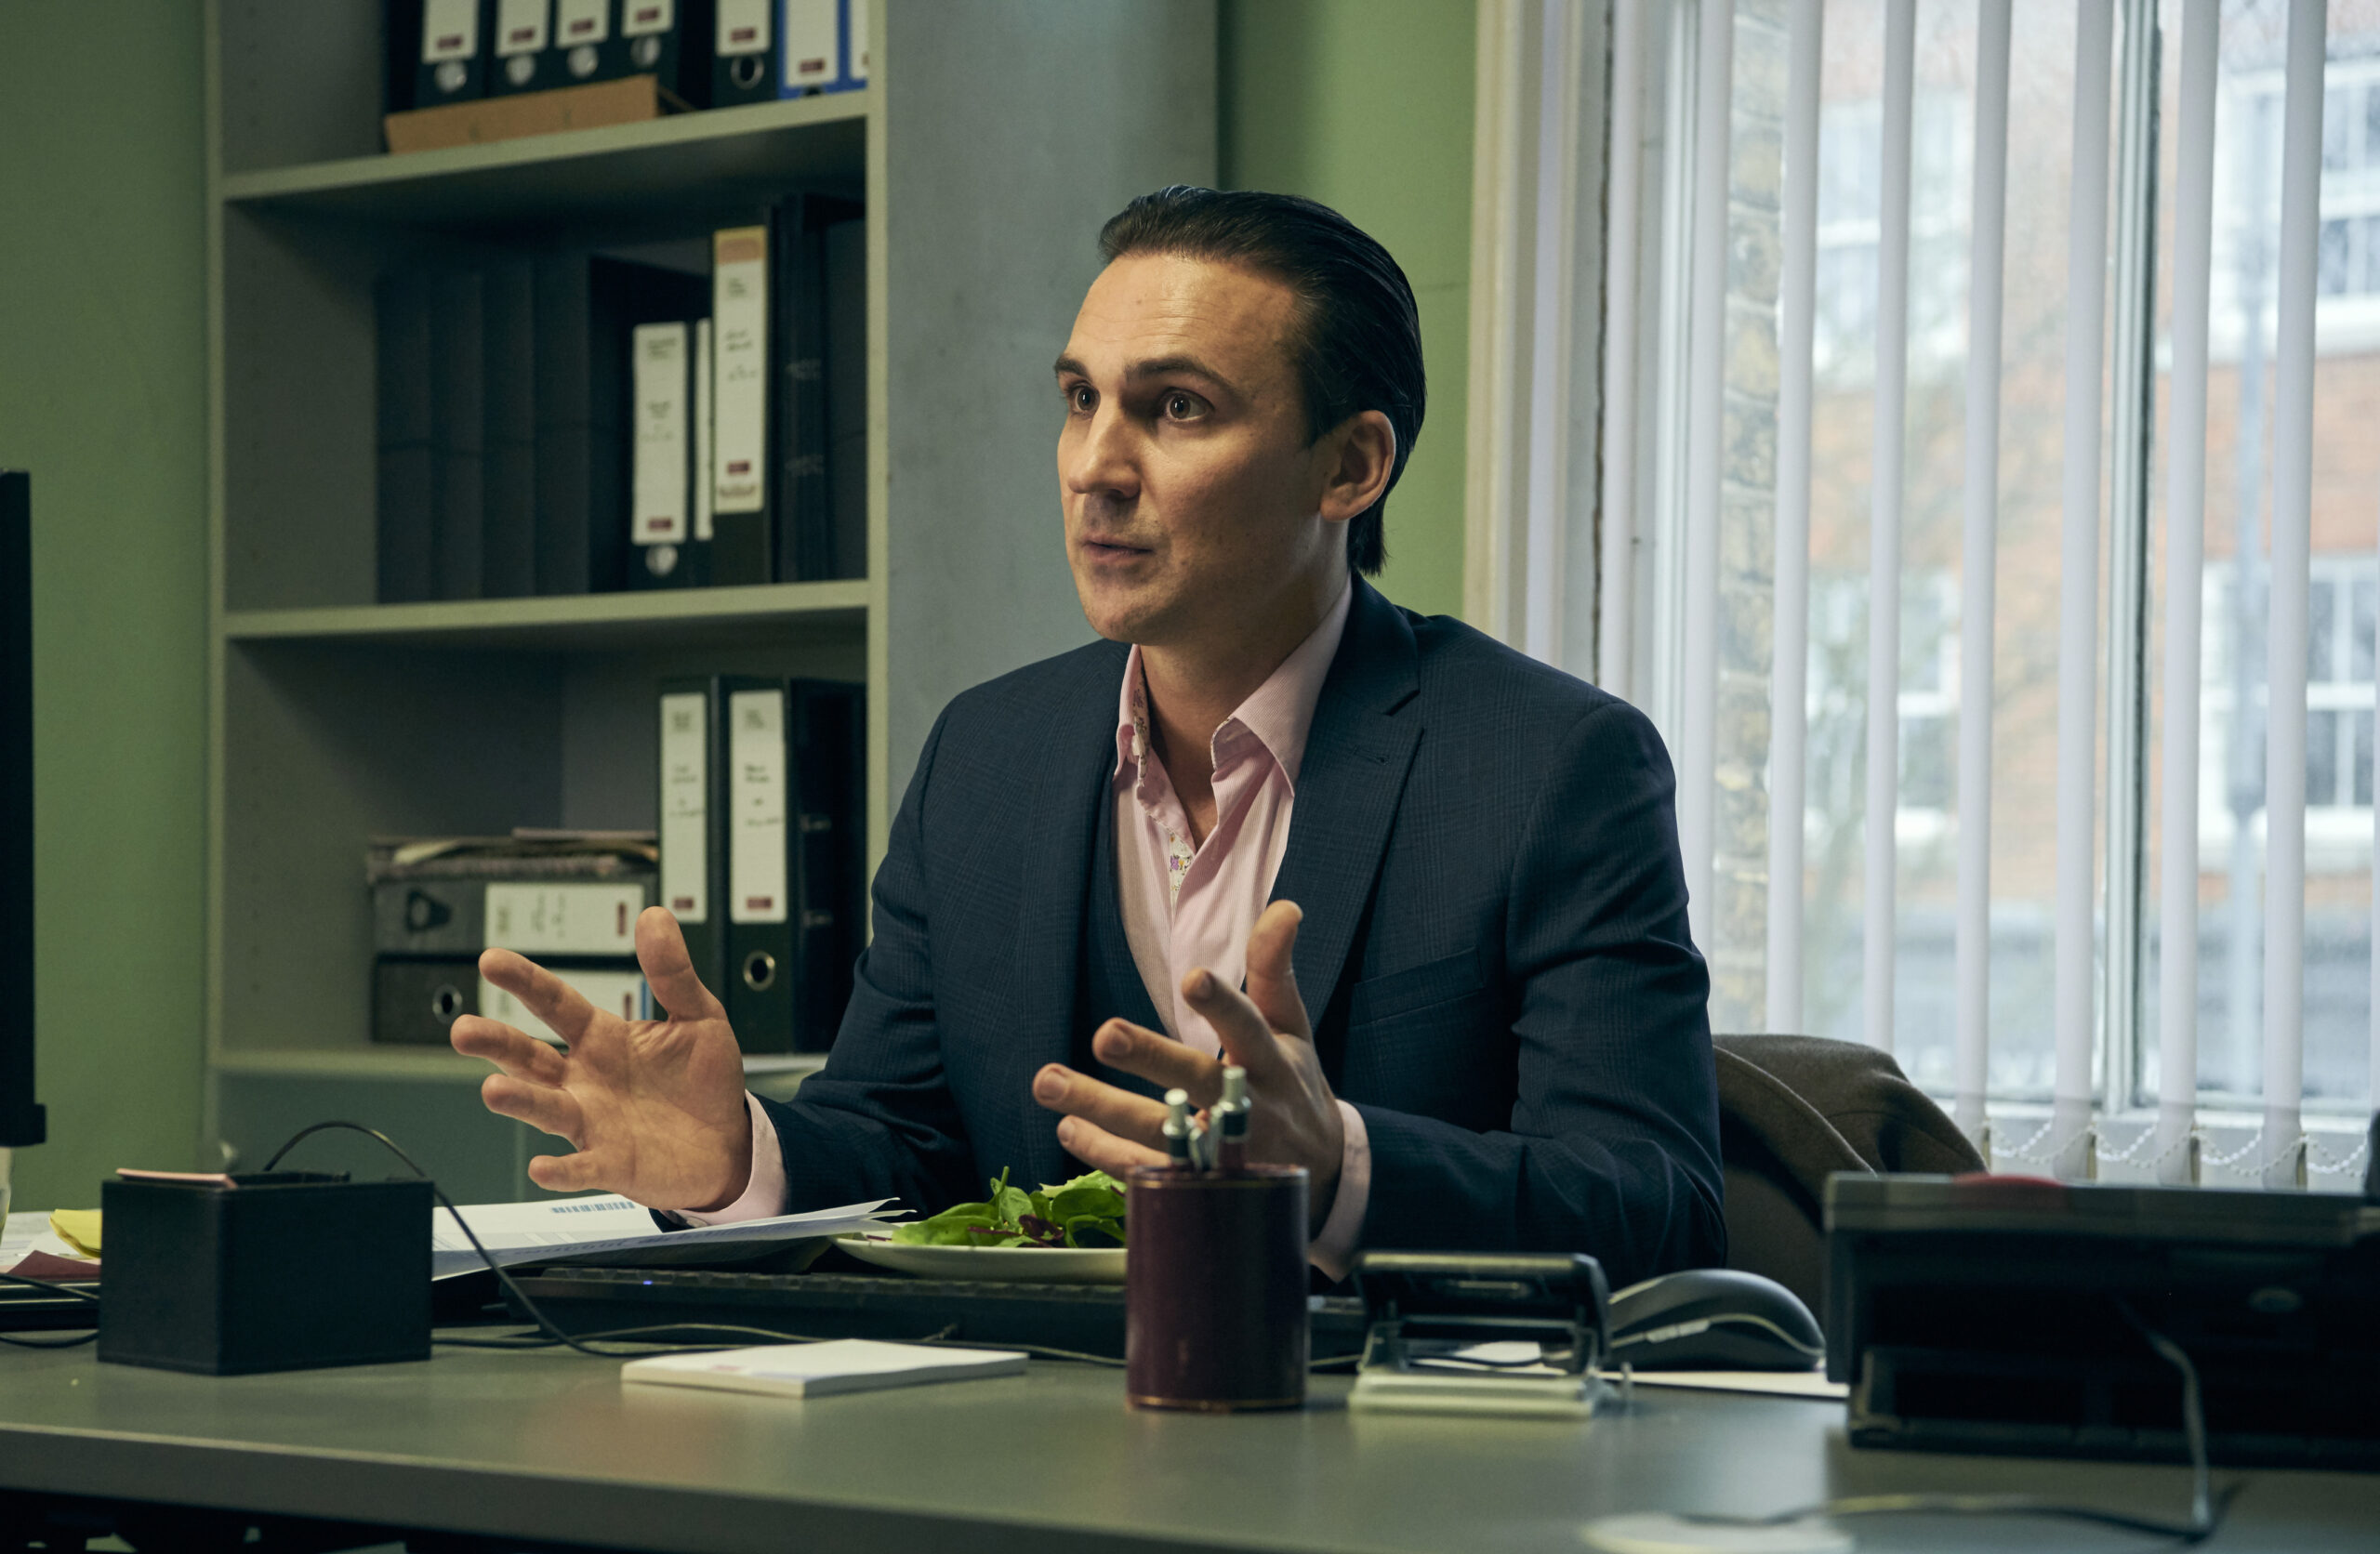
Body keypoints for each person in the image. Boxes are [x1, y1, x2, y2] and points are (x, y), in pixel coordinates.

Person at [455, 187, 1724, 1287]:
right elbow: (903, 1147)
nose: (1093, 467)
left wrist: (1341, 1169)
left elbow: (1657, 1207)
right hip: (1025, 1443)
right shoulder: (986, 756)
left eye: (1177, 408)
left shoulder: (1554, 765)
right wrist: (741, 1157)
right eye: (1080, 399)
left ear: (1350, 467)